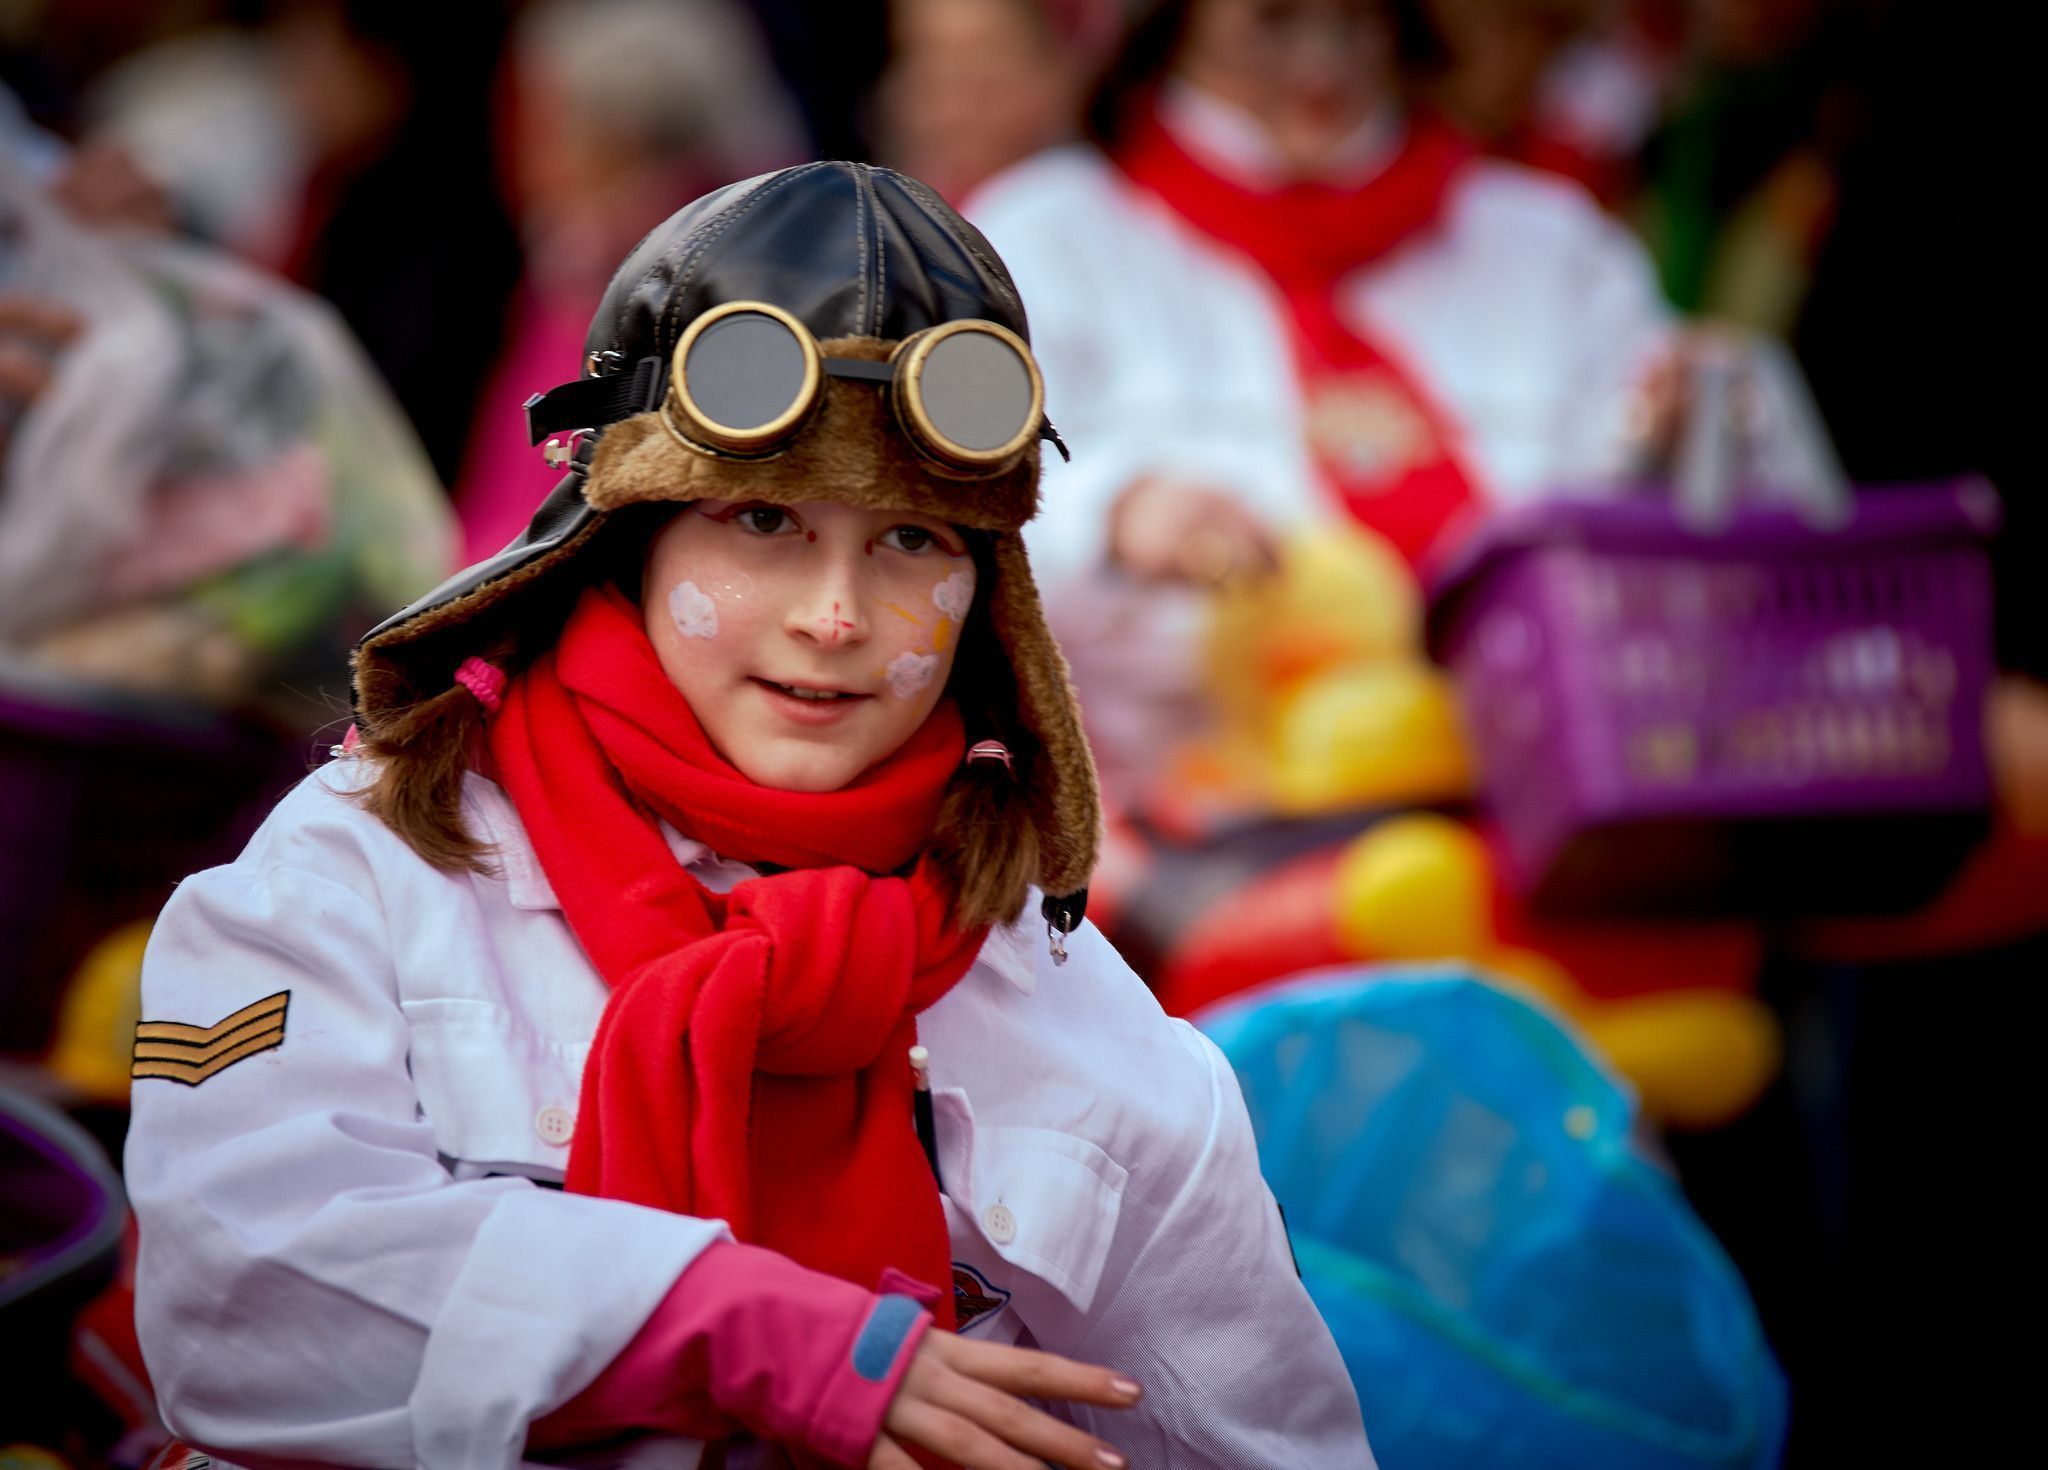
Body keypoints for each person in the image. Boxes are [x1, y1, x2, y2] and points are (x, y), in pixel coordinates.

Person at [123, 162, 1371, 1470]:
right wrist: (749, 1332)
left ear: (985, 587)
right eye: (765, 519)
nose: (835, 616)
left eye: (912, 542)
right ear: (630, 535)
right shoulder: (362, 870)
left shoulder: (1069, 1000)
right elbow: (238, 1312)